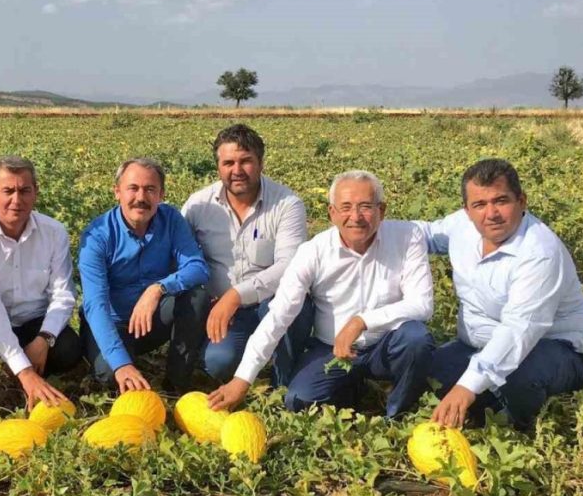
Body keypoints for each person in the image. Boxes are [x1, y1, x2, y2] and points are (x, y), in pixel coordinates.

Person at [209, 170, 435, 416]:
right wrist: (242, 379)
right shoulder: (313, 251)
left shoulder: (407, 237)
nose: (356, 217)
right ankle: (352, 386)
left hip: (386, 346)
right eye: (346, 207)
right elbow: (279, 315)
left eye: (366, 207)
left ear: (382, 210)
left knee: (416, 337)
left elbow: (422, 304)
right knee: (298, 401)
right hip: (331, 350)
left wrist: (361, 322)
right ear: (332, 213)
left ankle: (398, 412)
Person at [418, 159, 583, 431]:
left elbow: (519, 329)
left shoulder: (539, 252)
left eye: (501, 201)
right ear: (466, 210)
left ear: (521, 201)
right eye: (479, 205)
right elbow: (424, 235)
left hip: (553, 347)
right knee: (428, 370)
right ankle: (486, 399)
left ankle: (511, 424)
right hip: (479, 344)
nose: (491, 213)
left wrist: (467, 386)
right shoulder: (461, 227)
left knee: (516, 380)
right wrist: (368, 226)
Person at [182, 124, 313, 386]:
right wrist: (215, 300)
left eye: (246, 161)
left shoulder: (287, 204)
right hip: (222, 308)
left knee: (297, 304)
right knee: (218, 363)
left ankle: (282, 382)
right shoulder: (198, 206)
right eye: (228, 162)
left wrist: (236, 294)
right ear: (218, 166)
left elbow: (290, 266)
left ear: (261, 163)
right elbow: (180, 257)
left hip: (271, 302)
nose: (237, 170)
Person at [0, 156, 80, 410]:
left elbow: (63, 293)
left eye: (24, 190)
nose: (17, 200)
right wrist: (24, 371)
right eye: (8, 191)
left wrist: (44, 338)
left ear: (36, 192)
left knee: (69, 349)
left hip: (32, 322)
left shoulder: (54, 232)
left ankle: (34, 363)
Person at [79, 158, 211, 393]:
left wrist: (157, 288)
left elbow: (197, 267)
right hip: (112, 323)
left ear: (161, 194)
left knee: (196, 297)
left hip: (152, 321)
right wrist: (121, 365)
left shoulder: (170, 219)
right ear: (117, 192)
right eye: (133, 188)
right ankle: (121, 359)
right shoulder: (97, 236)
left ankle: (176, 385)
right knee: (111, 377)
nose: (141, 197)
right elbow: (95, 305)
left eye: (150, 189)